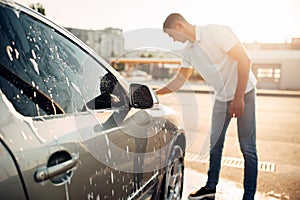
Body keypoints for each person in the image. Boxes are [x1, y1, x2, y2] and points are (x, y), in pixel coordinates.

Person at [156, 13, 258, 200]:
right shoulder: (188, 52)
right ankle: (210, 188)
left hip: (244, 92)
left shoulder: (216, 33)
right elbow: (179, 80)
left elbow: (245, 59)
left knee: (247, 148)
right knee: (215, 144)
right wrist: (155, 92)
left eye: (172, 35)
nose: (173, 40)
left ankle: (249, 196)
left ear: (179, 26)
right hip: (222, 97)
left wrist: (238, 97)